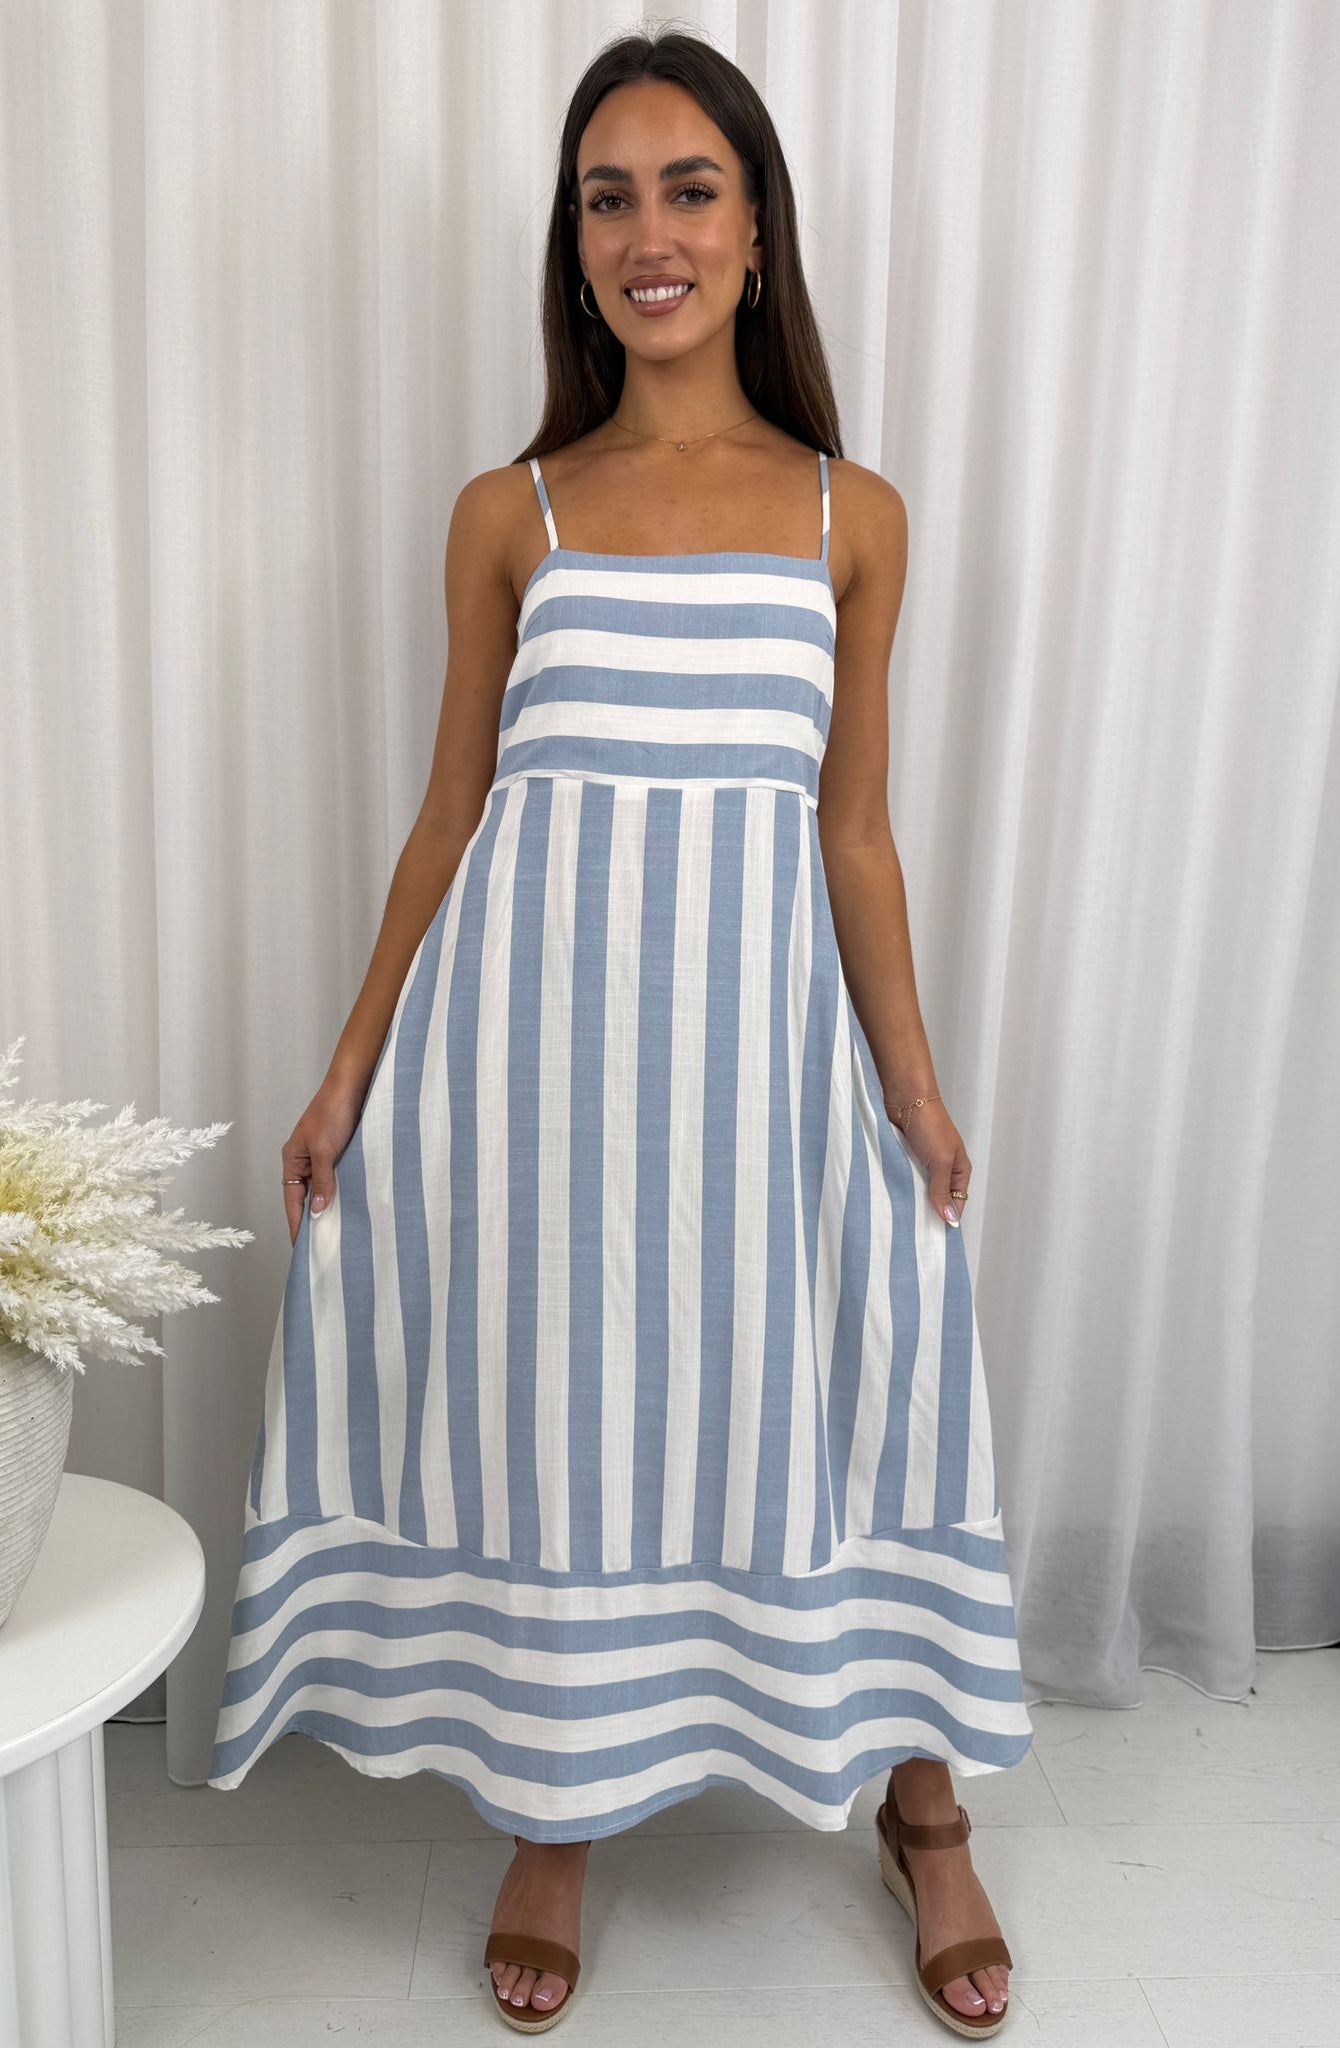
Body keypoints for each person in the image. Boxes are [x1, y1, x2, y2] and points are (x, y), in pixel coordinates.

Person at [209, 27, 1034, 2040]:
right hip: (537, 1080)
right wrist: (346, 1069)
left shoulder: (853, 513)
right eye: (606, 195)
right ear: (572, 244)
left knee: (866, 1367)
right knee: (562, 1416)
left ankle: (921, 1801)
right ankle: (552, 1811)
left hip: (756, 1071)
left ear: (756, 230)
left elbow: (850, 831)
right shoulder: (515, 512)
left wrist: (909, 1087)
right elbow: (448, 811)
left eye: (687, 188)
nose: (645, 231)